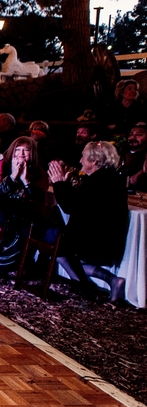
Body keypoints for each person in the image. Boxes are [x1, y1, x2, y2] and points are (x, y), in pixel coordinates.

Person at [48, 142, 128, 303]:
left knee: (57, 249)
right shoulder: (110, 178)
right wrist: (65, 184)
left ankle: (86, 286)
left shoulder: (98, 181)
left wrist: (58, 183)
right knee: (61, 245)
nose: (80, 161)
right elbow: (82, 203)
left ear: (94, 161)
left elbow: (70, 206)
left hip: (98, 242)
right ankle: (104, 281)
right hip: (105, 239)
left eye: (83, 157)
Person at [120, 122, 147, 191]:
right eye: (131, 134)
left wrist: (141, 172)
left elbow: (133, 181)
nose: (133, 137)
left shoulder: (144, 157)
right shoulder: (121, 154)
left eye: (138, 135)